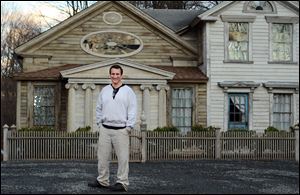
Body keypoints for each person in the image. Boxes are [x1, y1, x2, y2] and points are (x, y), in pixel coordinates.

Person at [88, 64, 137, 192]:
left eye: (117, 74)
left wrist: (129, 127)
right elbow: (98, 108)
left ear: (121, 75)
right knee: (102, 157)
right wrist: (99, 123)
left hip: (121, 129)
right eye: (113, 74)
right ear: (109, 75)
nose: (115, 76)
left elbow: (132, 110)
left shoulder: (128, 91)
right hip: (105, 128)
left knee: (123, 158)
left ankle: (122, 182)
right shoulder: (104, 90)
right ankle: (102, 180)